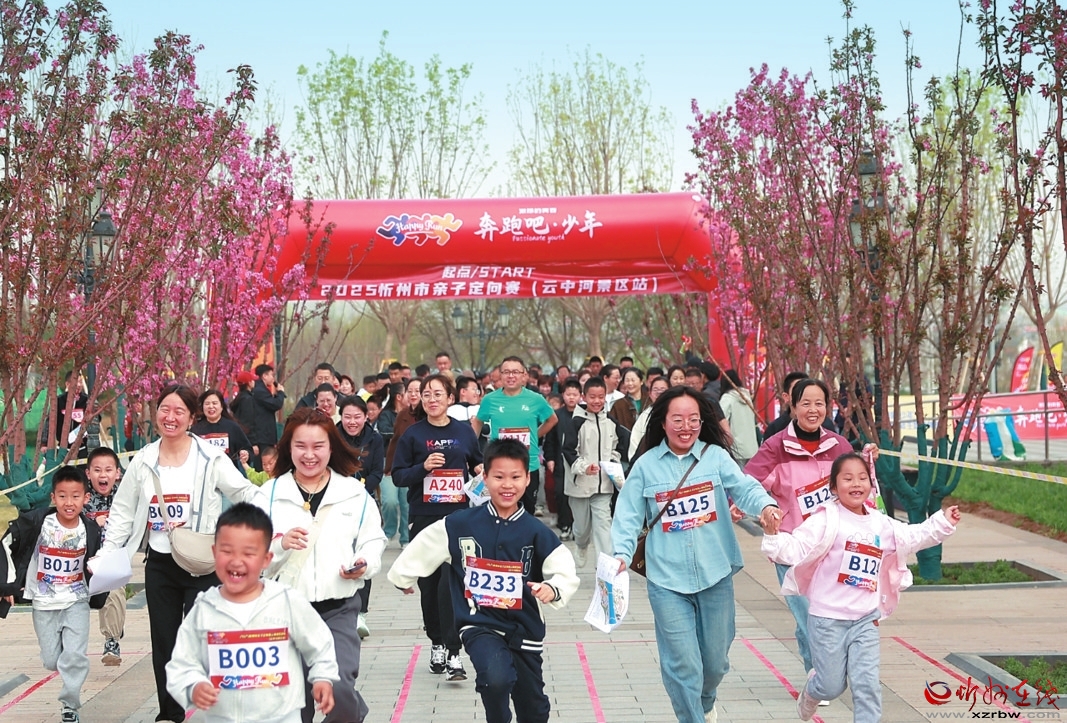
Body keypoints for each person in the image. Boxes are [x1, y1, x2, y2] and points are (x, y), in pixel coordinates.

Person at [611, 386, 781, 723]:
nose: (686, 427)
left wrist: (765, 506)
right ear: (663, 423)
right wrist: (620, 554)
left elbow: (744, 488)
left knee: (715, 663)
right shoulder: (645, 466)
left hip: (715, 573)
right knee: (683, 663)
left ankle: (705, 701)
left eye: (693, 420)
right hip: (666, 580)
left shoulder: (715, 458)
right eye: (677, 420)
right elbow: (627, 516)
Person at [98, 383, 266, 723]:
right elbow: (123, 512)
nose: (170, 417)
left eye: (179, 411)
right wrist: (108, 554)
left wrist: (263, 528)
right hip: (161, 562)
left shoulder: (210, 458)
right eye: (165, 409)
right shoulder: (144, 460)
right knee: (165, 641)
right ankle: (170, 713)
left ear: (192, 418)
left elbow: (245, 491)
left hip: (203, 562)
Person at [388, 439, 580, 723]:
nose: (507, 485)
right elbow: (426, 543)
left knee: (534, 707)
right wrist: (402, 576)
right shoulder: (460, 524)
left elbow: (563, 567)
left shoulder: (536, 531)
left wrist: (553, 589)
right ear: (485, 477)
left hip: (525, 627)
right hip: (479, 623)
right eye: (499, 477)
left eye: (515, 477)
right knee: (495, 679)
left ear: (528, 479)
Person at [760, 453, 960, 721]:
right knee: (831, 686)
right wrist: (772, 535)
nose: (856, 484)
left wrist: (943, 522)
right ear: (833, 487)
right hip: (827, 620)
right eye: (848, 478)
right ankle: (812, 691)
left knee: (867, 684)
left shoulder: (880, 523)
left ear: (870, 484)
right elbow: (796, 547)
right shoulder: (825, 520)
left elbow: (913, 536)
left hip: (865, 619)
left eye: (862, 478)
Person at [263, 407, 386, 723]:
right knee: (293, 703)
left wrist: (364, 562)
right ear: (288, 448)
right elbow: (249, 552)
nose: (309, 455)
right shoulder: (269, 494)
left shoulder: (353, 493)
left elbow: (373, 539)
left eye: (318, 446)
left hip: (338, 610)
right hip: (284, 613)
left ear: (332, 447)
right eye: (300, 446)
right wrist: (280, 544)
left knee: (338, 687)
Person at [166, 503, 339, 723]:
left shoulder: (286, 602)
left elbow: (320, 643)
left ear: (266, 559)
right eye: (227, 551)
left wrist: (323, 677)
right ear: (214, 552)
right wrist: (194, 686)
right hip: (222, 718)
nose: (236, 561)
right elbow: (182, 662)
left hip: (281, 717)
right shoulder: (204, 609)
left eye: (248, 553)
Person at [744, 378, 855, 681]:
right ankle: (819, 677)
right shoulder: (775, 447)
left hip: (832, 545)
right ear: (792, 407)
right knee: (807, 615)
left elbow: (858, 484)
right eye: (805, 403)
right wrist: (760, 507)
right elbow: (748, 484)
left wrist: (867, 462)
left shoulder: (839, 446)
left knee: (827, 613)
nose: (813, 409)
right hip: (792, 546)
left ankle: (820, 670)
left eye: (819, 403)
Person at [391, 375, 483, 682]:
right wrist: (424, 467)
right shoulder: (413, 435)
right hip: (425, 518)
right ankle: (437, 643)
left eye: (438, 394)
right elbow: (399, 476)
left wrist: (481, 470)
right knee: (429, 587)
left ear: (451, 398)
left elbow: (477, 463)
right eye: (427, 394)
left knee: (451, 585)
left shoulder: (464, 431)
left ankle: (455, 652)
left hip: (458, 520)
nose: (432, 399)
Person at [0, 466, 109, 723]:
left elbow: (104, 557)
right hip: (44, 603)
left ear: (85, 498)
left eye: (75, 496)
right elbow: (5, 544)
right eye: (62, 496)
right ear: (53, 497)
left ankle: (70, 706)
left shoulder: (90, 529)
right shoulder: (37, 522)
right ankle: (63, 662)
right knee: (52, 661)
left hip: (76, 601)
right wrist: (8, 585)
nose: (69, 503)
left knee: (75, 657)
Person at [473, 356, 557, 515]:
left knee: (526, 513)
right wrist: (472, 451)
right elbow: (477, 422)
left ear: (524, 375)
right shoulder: (490, 400)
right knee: (499, 512)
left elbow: (552, 420)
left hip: (528, 465)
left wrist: (534, 435)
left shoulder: (536, 399)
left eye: (515, 372)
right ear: (500, 375)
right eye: (506, 372)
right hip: (499, 467)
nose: (511, 376)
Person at [564, 377, 627, 568]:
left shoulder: (611, 422)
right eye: (592, 397)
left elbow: (617, 447)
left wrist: (612, 462)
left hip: (604, 485)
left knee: (603, 527)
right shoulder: (576, 422)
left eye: (601, 397)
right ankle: (581, 545)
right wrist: (584, 467)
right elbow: (568, 451)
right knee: (582, 528)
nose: (597, 401)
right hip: (580, 485)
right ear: (584, 397)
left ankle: (605, 568)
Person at [337, 395, 385, 639]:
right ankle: (341, 609)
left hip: (364, 500)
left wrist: (361, 489)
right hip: (336, 502)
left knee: (363, 554)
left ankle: (361, 613)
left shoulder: (375, 439)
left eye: (357, 416)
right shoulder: (332, 436)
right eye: (347, 417)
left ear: (366, 417)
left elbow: (377, 472)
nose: (352, 422)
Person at [83, 447, 127, 666]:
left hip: (112, 560)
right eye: (97, 470)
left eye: (108, 470)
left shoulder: (126, 497)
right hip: (80, 560)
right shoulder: (79, 496)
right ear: (88, 473)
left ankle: (112, 641)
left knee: (113, 589)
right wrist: (93, 525)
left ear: (117, 473)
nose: (103, 475)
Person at [382, 378, 421, 547]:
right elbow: (395, 441)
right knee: (390, 501)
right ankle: (389, 532)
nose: (413, 394)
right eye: (409, 391)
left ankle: (406, 538)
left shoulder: (429, 415)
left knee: (407, 504)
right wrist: (389, 466)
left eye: (417, 391)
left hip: (417, 467)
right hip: (400, 464)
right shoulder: (402, 415)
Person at [542, 378, 581, 541]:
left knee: (578, 496)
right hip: (560, 461)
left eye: (575, 394)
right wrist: (550, 459)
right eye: (568, 394)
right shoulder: (557, 416)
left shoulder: (584, 415)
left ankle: (578, 527)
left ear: (580, 396)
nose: (571, 398)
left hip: (580, 463)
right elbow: (550, 440)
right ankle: (565, 525)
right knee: (560, 493)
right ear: (563, 395)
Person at [192, 389, 254, 471]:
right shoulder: (196, 430)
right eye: (207, 404)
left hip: (228, 473)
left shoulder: (232, 427)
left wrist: (245, 455)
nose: (211, 406)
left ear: (221, 407)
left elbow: (248, 449)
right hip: (204, 473)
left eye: (214, 403)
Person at [762, 372, 835, 441]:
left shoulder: (827, 425)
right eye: (797, 391)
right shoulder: (775, 429)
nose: (813, 410)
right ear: (786, 397)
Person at [718, 370, 759, 467]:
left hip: (735, 448)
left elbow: (721, 420)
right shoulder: (747, 397)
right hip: (752, 447)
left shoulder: (727, 398)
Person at [629, 376, 670, 460]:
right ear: (650, 394)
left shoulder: (675, 413)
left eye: (663, 390)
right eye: (655, 390)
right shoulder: (645, 415)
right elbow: (635, 441)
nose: (659, 393)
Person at [250, 364, 286, 457]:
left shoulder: (262, 389)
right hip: (263, 436)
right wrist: (280, 392)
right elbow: (275, 404)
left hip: (265, 435)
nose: (273, 378)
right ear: (264, 376)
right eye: (271, 375)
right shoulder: (260, 390)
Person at [609, 367, 648, 431]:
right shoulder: (618, 405)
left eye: (633, 380)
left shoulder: (650, 402)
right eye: (627, 380)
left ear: (641, 381)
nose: (630, 383)